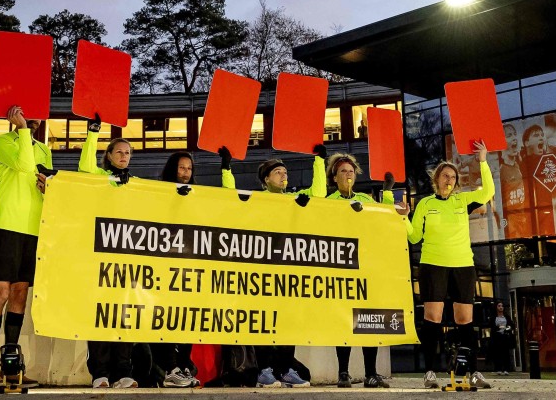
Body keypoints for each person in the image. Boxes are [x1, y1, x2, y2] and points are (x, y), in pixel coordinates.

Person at [221, 144, 328, 388]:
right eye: (278, 172)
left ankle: (286, 368)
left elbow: (319, 193)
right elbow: (230, 197)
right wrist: (227, 168)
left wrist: (319, 160)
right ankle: (264, 370)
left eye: (285, 172)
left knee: (289, 320)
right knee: (264, 320)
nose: (284, 175)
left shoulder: (294, 199)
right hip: (263, 269)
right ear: (266, 179)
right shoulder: (257, 199)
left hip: (289, 269)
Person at [407, 140, 494, 390]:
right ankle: (430, 372)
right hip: (433, 265)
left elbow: (487, 193)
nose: (449, 180)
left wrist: (483, 161)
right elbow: (414, 237)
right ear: (437, 179)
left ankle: (474, 372)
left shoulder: (462, 201)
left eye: (453, 177)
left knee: (465, 319)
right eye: (445, 176)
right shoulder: (425, 204)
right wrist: (403, 218)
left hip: (462, 265)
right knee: (433, 318)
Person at [0, 105, 52, 389]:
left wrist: (50, 186)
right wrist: (21, 129)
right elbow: (23, 165)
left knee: (21, 294)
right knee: (2, 291)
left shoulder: (44, 149)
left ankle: (11, 363)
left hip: (34, 228)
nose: (33, 117)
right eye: (26, 111)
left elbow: (44, 178)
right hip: (7, 223)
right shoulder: (2, 142)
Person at [324, 152, 393, 388]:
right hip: (341, 266)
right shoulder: (328, 201)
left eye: (351, 171)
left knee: (368, 320)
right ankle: (343, 373)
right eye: (343, 171)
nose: (348, 174)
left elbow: (387, 217)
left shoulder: (365, 198)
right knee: (343, 321)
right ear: (334, 177)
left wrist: (388, 192)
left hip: (365, 265)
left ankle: (371, 373)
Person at [79, 114, 137, 389]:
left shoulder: (135, 183)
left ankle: (123, 372)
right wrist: (93, 134)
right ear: (110, 156)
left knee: (124, 314)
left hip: (126, 259)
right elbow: (85, 167)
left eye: (128, 153)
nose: (124, 156)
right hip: (101, 256)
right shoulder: (100, 177)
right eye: (119, 152)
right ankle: (100, 373)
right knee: (100, 314)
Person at [151, 150, 202, 388]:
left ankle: (182, 366)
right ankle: (169, 368)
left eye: (189, 169)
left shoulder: (198, 196)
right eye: (182, 168)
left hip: (188, 267)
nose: (185, 173)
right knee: (168, 318)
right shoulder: (160, 193)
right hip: (165, 267)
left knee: (188, 319)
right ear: (173, 169)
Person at [520, 124, 556, 234]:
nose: (541, 137)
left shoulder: (548, 159)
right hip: (531, 216)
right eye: (536, 135)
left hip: (550, 213)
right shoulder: (521, 164)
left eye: (542, 135)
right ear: (527, 143)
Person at [498, 124, 535, 239]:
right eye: (509, 135)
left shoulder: (520, 165)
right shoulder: (501, 172)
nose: (514, 138)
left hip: (524, 223)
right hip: (512, 227)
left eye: (515, 134)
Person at [490, 302, 513, 375]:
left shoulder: (506, 317)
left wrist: (508, 328)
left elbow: (511, 324)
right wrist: (498, 327)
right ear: (496, 307)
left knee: (506, 353)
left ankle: (506, 369)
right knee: (497, 353)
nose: (501, 307)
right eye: (499, 306)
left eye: (502, 306)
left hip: (505, 336)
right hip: (497, 336)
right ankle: (498, 368)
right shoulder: (494, 317)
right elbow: (491, 326)